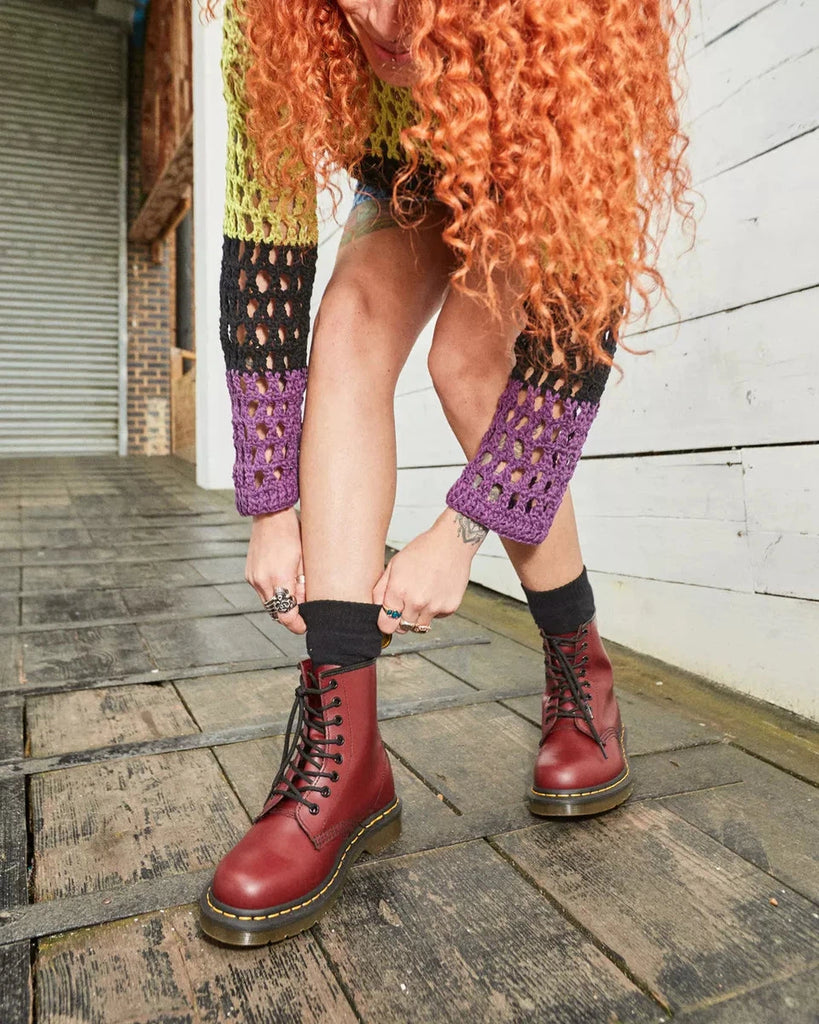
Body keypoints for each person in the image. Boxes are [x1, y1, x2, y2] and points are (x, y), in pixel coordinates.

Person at [197, 0, 691, 946]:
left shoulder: (563, 28)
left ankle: (580, 678)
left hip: (523, 144)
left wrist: (461, 529)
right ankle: (345, 758)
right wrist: (270, 505)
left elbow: (570, 342)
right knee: (348, 319)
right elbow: (264, 261)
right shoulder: (273, 19)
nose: (378, 22)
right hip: (406, 171)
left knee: (467, 366)